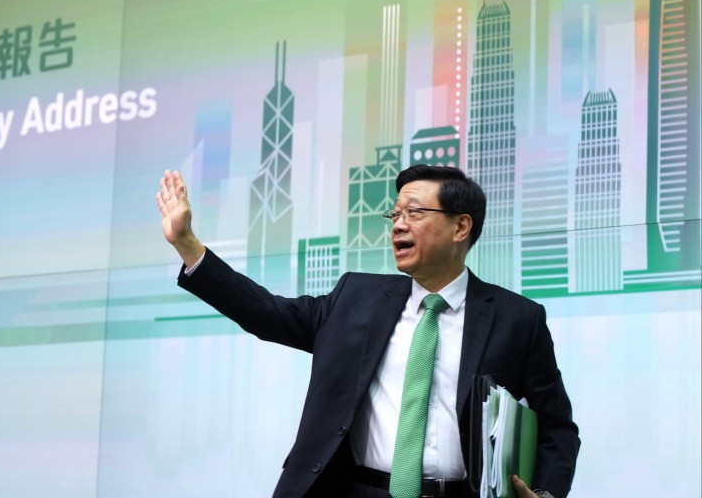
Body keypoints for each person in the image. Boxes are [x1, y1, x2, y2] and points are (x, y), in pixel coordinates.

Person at [156, 164, 579, 498]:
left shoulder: (517, 318)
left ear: (461, 227)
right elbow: (267, 313)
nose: (397, 224)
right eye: (394, 214)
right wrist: (189, 246)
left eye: (414, 213)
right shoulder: (354, 297)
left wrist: (544, 492)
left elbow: (558, 428)